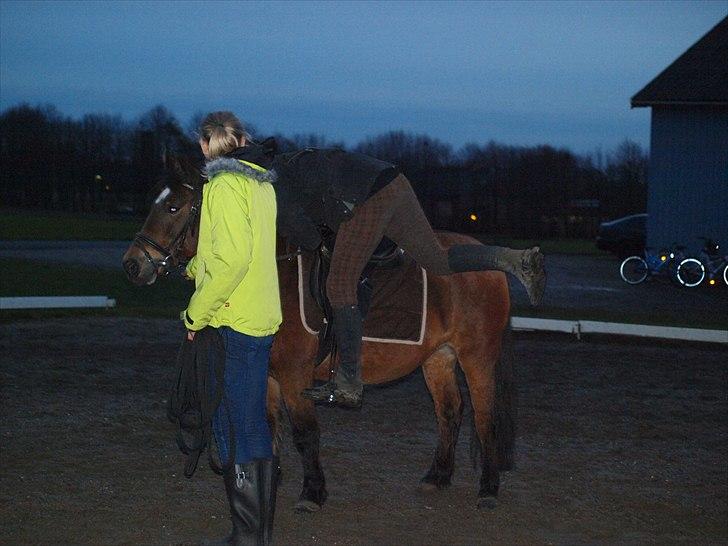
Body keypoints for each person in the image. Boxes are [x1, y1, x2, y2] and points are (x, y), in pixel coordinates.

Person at [270, 148, 546, 409]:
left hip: (367, 198)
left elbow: (307, 236)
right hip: (394, 182)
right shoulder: (285, 167)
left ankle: (349, 383)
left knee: (339, 285)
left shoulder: (275, 185)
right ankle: (516, 260)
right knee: (436, 258)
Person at [183, 111, 281, 546]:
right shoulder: (260, 184)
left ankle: (250, 537)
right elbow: (245, 251)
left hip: (232, 318)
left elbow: (233, 261)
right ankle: (253, 532)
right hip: (256, 314)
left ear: (206, 146)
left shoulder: (222, 186)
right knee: (246, 421)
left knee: (238, 424)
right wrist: (195, 267)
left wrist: (194, 314)